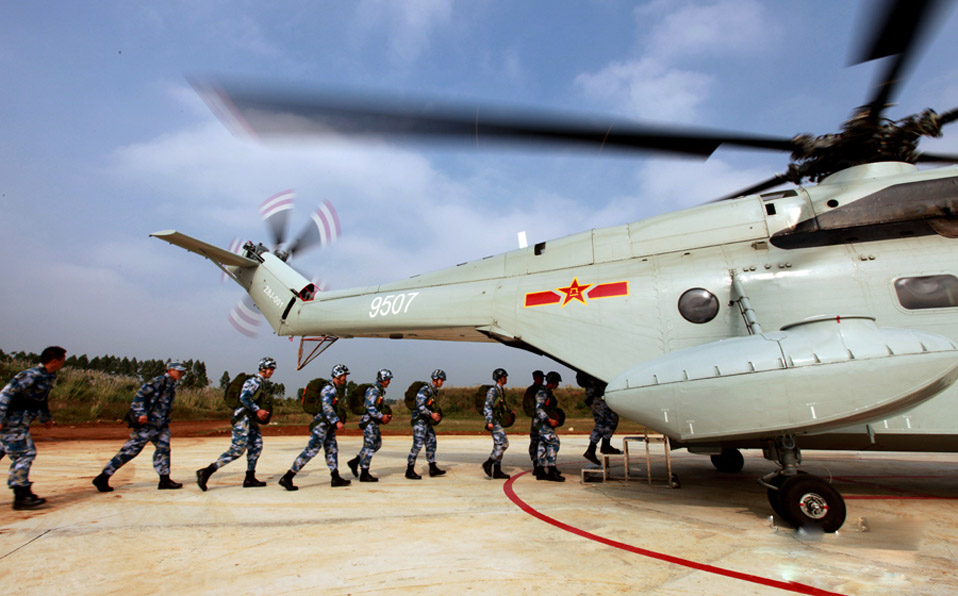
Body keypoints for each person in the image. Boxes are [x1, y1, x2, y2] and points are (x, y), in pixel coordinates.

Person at [93, 362, 188, 492]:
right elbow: (140, 395)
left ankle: (164, 480)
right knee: (130, 450)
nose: (181, 374)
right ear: (170, 370)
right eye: (178, 371)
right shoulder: (159, 381)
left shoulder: (171, 384)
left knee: (164, 449)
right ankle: (103, 477)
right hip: (148, 424)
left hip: (161, 424)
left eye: (182, 371)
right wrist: (141, 414)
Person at [0, 346, 66, 510]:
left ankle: (23, 493)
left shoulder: (49, 376)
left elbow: (41, 399)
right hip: (12, 421)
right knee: (25, 453)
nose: (64, 361)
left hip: (23, 420)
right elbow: (6, 394)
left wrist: (45, 418)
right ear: (55, 360)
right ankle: (21, 495)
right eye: (63, 358)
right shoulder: (30, 375)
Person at [196, 357, 276, 491]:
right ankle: (207, 471)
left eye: (273, 369)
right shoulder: (254, 381)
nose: (272, 371)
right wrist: (257, 410)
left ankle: (250, 477)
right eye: (270, 368)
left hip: (249, 420)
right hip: (243, 419)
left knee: (256, 445)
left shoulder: (261, 383)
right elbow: (244, 397)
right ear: (263, 368)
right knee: (237, 450)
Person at [278, 364, 351, 490]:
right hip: (322, 424)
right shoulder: (329, 389)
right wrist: (336, 421)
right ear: (338, 376)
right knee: (311, 450)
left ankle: (335, 477)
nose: (345, 378)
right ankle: (288, 477)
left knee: (332, 449)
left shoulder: (332, 388)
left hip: (327, 425)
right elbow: (326, 406)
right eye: (344, 375)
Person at [347, 369, 394, 482]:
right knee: (369, 446)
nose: (389, 382)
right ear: (382, 379)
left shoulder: (379, 390)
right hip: (369, 423)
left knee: (376, 444)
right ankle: (364, 473)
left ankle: (356, 461)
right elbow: (370, 406)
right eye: (387, 380)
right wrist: (381, 416)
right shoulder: (373, 390)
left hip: (374, 422)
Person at [405, 369, 446, 480]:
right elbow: (420, 406)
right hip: (419, 421)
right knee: (417, 445)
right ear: (435, 379)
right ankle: (409, 470)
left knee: (431, 442)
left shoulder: (433, 391)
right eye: (441, 380)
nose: (442, 382)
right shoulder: (425, 390)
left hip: (426, 421)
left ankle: (432, 467)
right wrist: (432, 414)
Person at [583, 377, 621, 465]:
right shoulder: (592, 374)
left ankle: (604, 445)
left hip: (599, 398)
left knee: (610, 420)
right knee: (603, 423)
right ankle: (592, 449)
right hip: (597, 399)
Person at [535, 371, 565, 482]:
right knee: (554, 442)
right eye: (557, 382)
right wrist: (549, 420)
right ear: (553, 382)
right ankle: (552, 470)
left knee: (542, 447)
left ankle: (540, 471)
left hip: (545, 424)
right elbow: (539, 409)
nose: (558, 385)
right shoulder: (542, 393)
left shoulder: (548, 393)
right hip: (544, 424)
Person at [481, 368, 511, 479]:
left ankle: (497, 470)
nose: (506, 378)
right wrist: (489, 421)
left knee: (498, 444)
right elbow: (487, 406)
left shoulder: (501, 391)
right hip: (493, 421)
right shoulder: (493, 391)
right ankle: (489, 463)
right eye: (504, 376)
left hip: (498, 420)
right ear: (499, 378)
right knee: (504, 443)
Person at [526, 370, 545, 475]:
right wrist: (535, 414)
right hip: (537, 421)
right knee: (535, 442)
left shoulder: (544, 389)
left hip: (545, 421)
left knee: (544, 443)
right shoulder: (531, 391)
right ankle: (535, 465)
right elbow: (527, 406)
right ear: (535, 378)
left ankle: (541, 465)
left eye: (542, 377)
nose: (542, 379)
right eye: (539, 377)